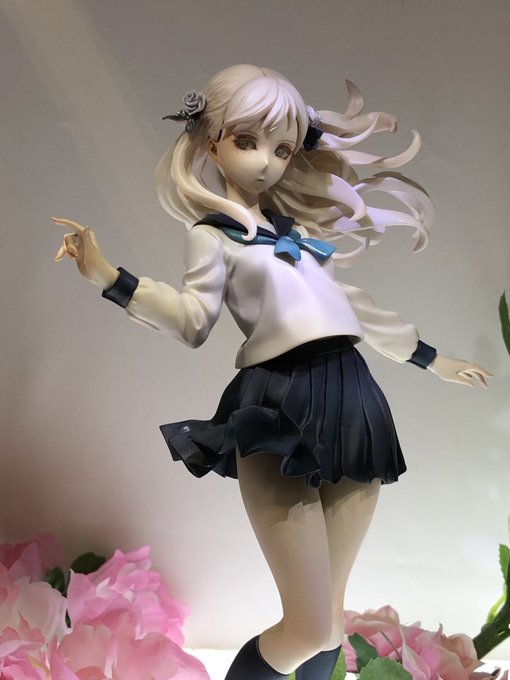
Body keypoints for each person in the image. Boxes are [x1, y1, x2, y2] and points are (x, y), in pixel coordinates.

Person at [52, 65, 491, 680]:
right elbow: (191, 321)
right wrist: (110, 278)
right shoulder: (212, 237)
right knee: (307, 625)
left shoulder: (299, 233)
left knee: (329, 624)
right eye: (247, 141)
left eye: (282, 149)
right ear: (210, 144)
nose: (265, 162)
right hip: (278, 402)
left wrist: (432, 359)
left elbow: (352, 306)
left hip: (351, 395)